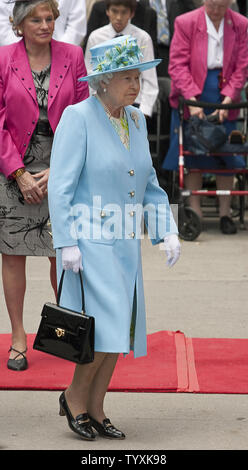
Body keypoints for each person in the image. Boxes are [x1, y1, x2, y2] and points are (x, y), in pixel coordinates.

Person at [48, 35, 181, 440]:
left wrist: (166, 231)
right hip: (89, 244)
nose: (136, 85)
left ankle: (96, 406)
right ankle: (74, 397)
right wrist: (65, 240)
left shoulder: (137, 120)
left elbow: (150, 185)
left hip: (125, 243)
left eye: (138, 77)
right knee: (103, 328)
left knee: (118, 331)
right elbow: (61, 186)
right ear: (103, 81)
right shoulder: (78, 116)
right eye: (126, 78)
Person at [0, 0, 89, 371]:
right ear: (18, 24)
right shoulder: (3, 58)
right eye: (36, 19)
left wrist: (60, 169)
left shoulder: (72, 55)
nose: (46, 24)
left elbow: (87, 116)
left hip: (63, 166)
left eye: (50, 17)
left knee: (63, 254)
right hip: (12, 168)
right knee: (13, 253)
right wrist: (18, 173)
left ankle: (64, 334)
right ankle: (18, 336)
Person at [162, 0, 248, 234]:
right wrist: (193, 101)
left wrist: (229, 98)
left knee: (226, 154)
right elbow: (177, 65)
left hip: (225, 92)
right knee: (193, 155)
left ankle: (225, 213)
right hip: (193, 90)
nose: (216, 10)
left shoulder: (241, 24)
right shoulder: (186, 22)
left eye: (222, 5)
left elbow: (242, 67)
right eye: (212, 5)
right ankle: (195, 213)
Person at [85, 0, 158, 118]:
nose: (119, 17)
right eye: (114, 11)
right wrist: (93, 106)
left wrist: (143, 112)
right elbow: (91, 75)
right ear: (107, 11)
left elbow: (150, 79)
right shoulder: (96, 37)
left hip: (134, 104)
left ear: (131, 14)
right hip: (102, 104)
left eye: (124, 12)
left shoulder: (143, 38)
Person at [0, 0, 87, 46]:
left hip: (63, 52)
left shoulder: (74, 55)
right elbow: (3, 28)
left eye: (49, 19)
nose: (44, 27)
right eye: (36, 20)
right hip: (17, 52)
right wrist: (23, 51)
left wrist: (59, 51)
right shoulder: (5, 58)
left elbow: (76, 26)